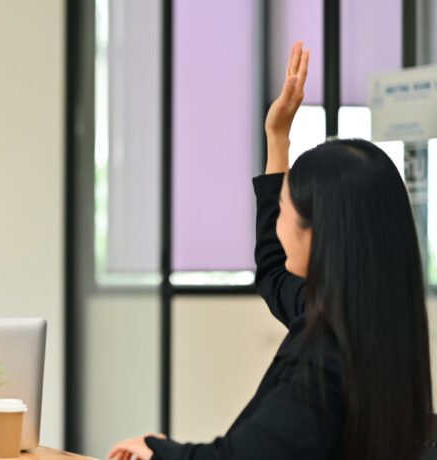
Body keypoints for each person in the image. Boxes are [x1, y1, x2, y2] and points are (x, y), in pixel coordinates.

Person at [109, 42, 433, 460]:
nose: (275, 221)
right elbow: (274, 273)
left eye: (283, 208)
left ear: (318, 234)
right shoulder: (365, 322)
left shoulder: (323, 365)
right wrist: (277, 137)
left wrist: (159, 451)